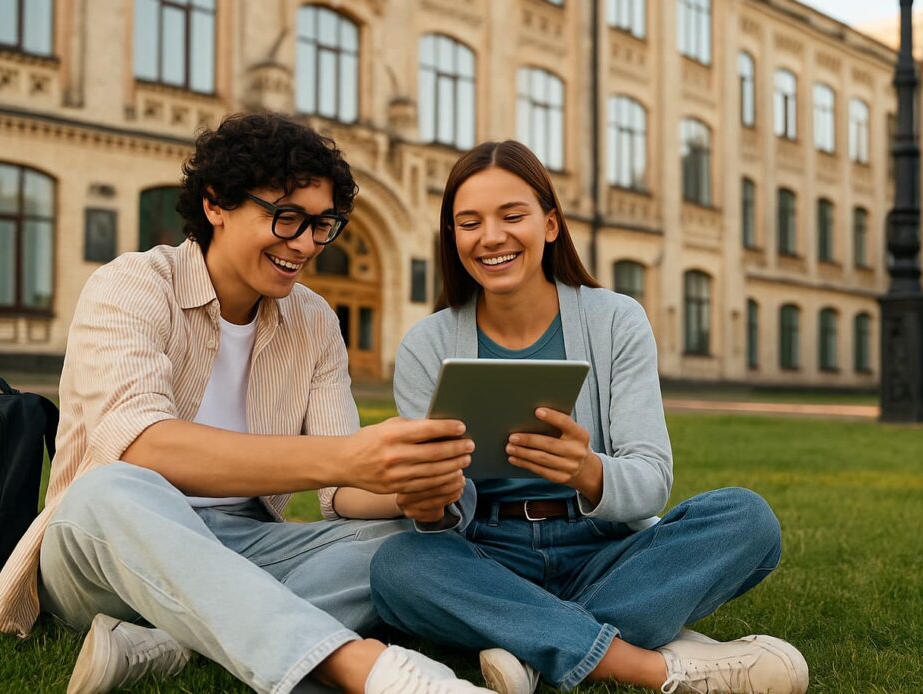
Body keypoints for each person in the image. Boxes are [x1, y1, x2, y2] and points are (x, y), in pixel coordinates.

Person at [0, 112, 492, 694]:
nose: (304, 245)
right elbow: (146, 446)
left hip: (244, 544)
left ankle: (171, 642)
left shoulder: (315, 321)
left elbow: (338, 495)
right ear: (216, 203)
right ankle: (363, 669)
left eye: (323, 225)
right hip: (107, 544)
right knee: (112, 486)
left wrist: (410, 485)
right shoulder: (133, 284)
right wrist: (348, 456)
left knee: (415, 536)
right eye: (286, 217)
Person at [324, 140, 809, 694]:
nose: (491, 237)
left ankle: (527, 644)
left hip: (603, 547)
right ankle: (638, 657)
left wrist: (586, 470)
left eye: (513, 216)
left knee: (747, 520)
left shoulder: (616, 320)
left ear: (550, 224)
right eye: (469, 222)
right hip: (488, 553)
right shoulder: (426, 345)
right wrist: (429, 503)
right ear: (452, 237)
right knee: (401, 567)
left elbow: (652, 481)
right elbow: (443, 515)